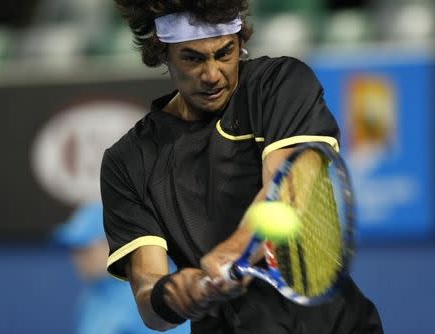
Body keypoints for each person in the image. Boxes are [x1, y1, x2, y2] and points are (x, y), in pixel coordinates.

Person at [100, 1, 383, 333]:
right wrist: (177, 294)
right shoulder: (127, 161)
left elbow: (290, 187)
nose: (212, 74)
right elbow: (150, 302)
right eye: (192, 58)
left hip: (336, 325)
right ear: (162, 51)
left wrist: (234, 251)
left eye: (224, 53)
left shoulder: (280, 84)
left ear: (239, 42)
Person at [54, 202, 190, 334]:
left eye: (85, 248)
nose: (77, 258)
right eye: (74, 250)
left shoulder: (159, 290)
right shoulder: (90, 298)